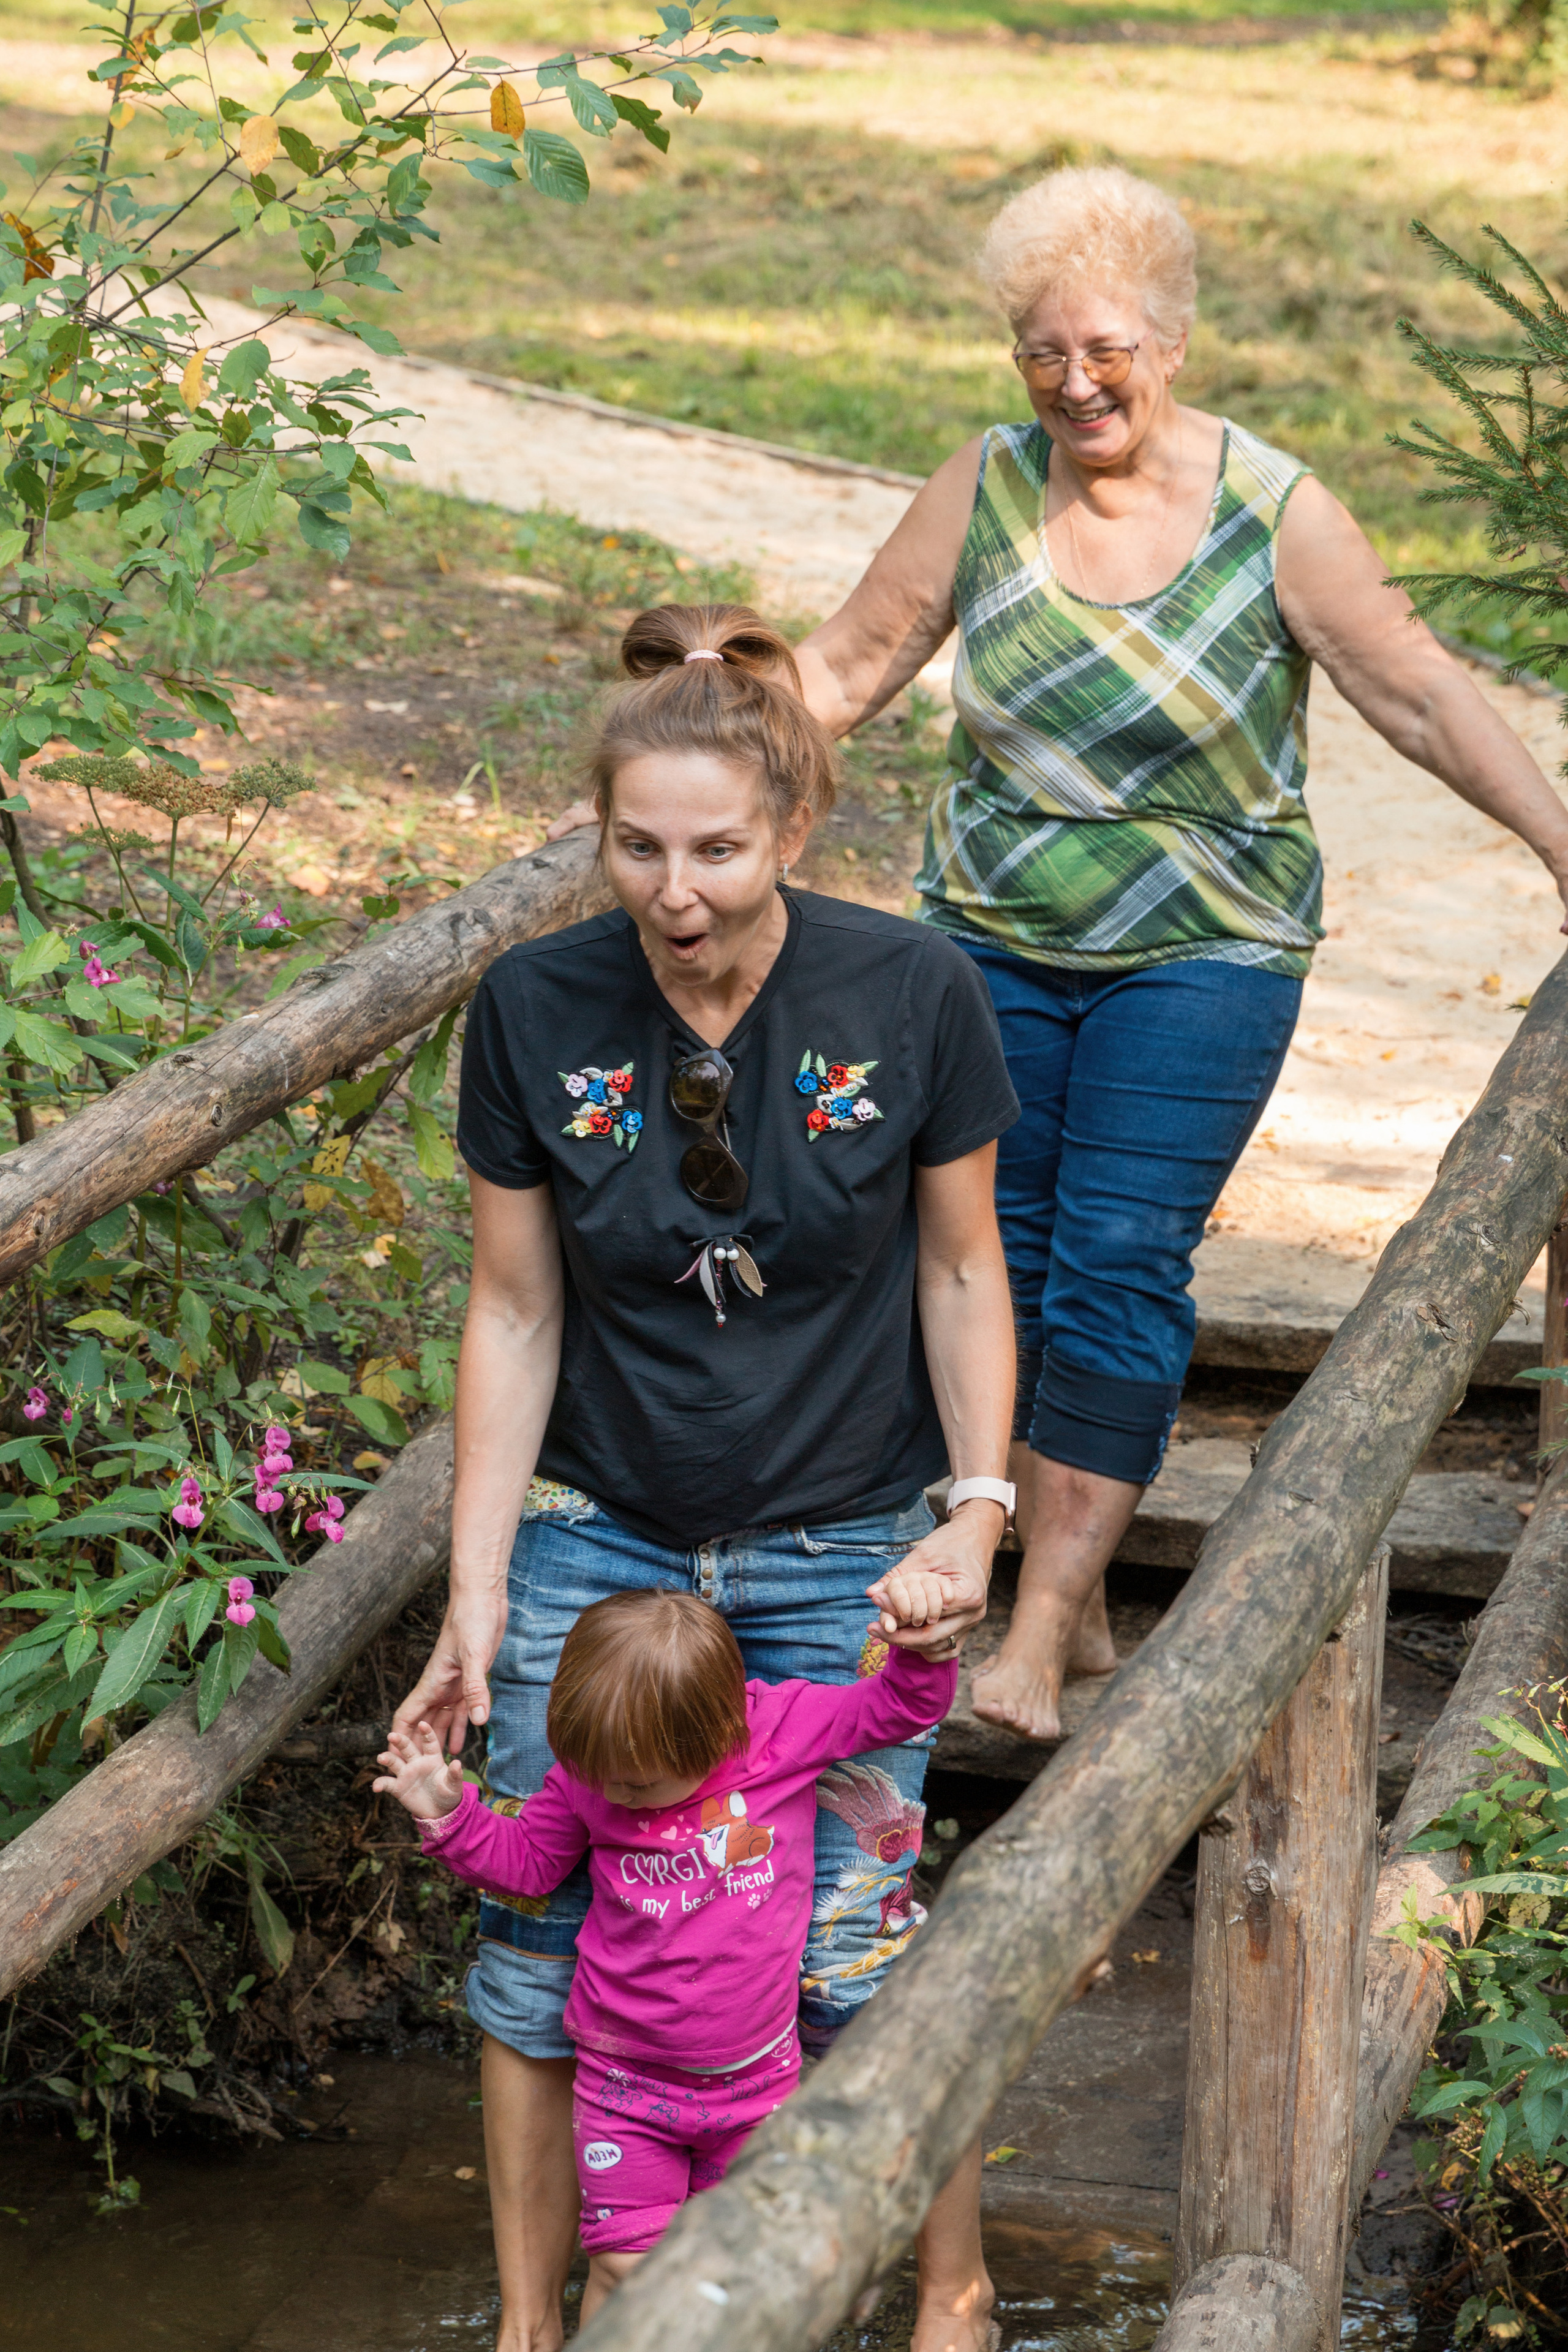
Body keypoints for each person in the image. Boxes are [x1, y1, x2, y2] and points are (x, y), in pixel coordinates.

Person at [777, 162, 1568, 1743]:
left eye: (1107, 350)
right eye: (1042, 352)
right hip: (988, 943)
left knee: (1120, 1255)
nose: (1075, 382)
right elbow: (844, 669)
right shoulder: (983, 487)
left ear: (1175, 342)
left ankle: (1034, 1629)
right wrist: (689, 761)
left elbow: (1415, 691)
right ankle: (1057, 1593)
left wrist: (1557, 839)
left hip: (1207, 951)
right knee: (991, 1254)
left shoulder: (1274, 512)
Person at [393, 600, 1020, 2352]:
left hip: (843, 1534)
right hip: (603, 1526)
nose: (676, 892)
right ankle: (535, 2329)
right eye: (638, 850)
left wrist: (976, 1510)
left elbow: (962, 1268)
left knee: (852, 1942)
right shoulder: (532, 1009)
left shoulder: (912, 992)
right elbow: (514, 1309)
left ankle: (949, 2297)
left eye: (719, 852)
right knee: (541, 1938)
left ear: (793, 828)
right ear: (601, 833)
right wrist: (478, 1586)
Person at [378, 1586, 959, 2322]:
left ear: (716, 1730)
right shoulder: (594, 1774)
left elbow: (898, 1709)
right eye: (602, 1777)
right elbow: (530, 1864)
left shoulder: (780, 1729)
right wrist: (448, 1813)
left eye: (640, 1782)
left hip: (758, 2087)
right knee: (626, 2264)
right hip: (624, 2087)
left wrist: (925, 1654)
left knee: (743, 2273)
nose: (618, 1794)